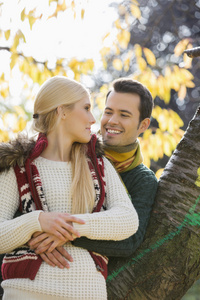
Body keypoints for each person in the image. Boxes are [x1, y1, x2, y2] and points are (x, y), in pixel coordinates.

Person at [0, 76, 139, 300]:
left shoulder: (98, 164)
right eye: (85, 108)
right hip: (24, 294)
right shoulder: (18, 164)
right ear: (62, 111)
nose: (93, 119)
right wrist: (38, 221)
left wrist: (68, 228)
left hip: (88, 293)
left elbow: (128, 220)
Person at [25, 78, 158, 271]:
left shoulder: (142, 180)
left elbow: (130, 240)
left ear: (143, 125)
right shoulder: (71, 151)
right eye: (108, 111)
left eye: (124, 115)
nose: (112, 121)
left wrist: (60, 235)